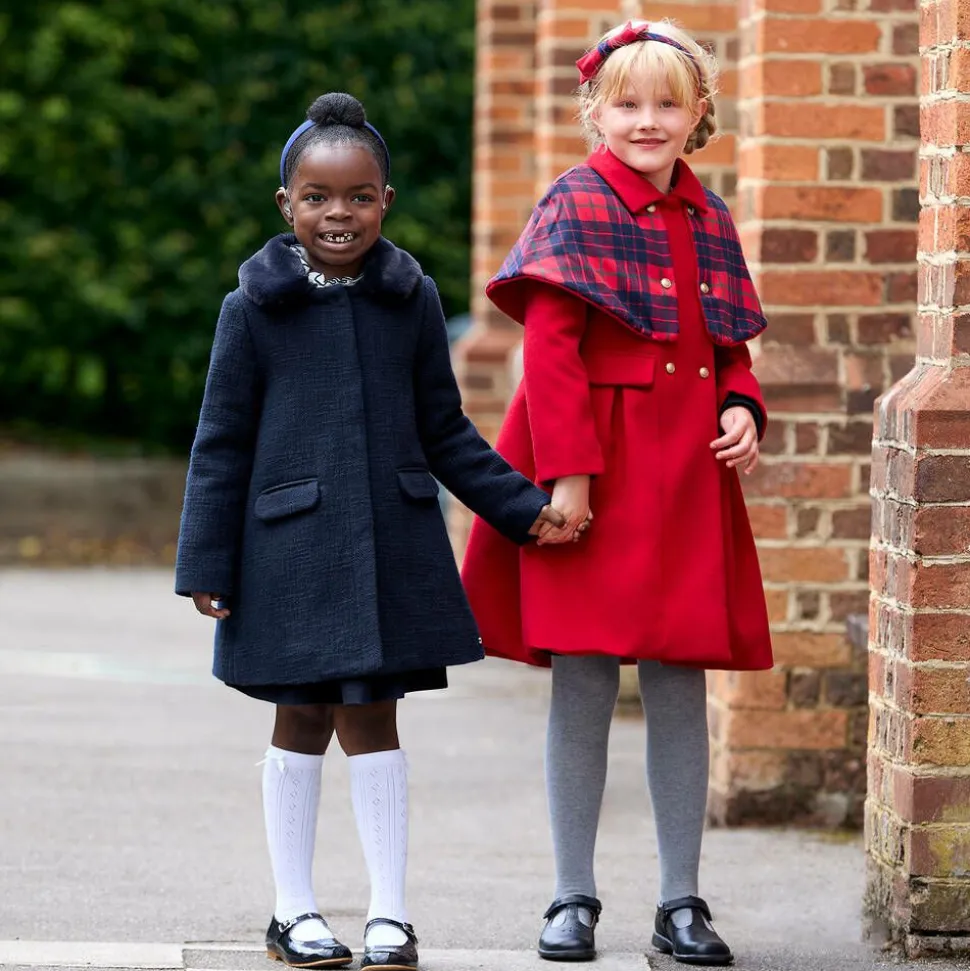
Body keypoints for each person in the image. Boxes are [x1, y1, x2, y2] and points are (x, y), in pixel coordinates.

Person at [175, 92, 565, 971]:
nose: (338, 214)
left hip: (389, 546)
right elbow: (220, 440)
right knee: (301, 716)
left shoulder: (410, 298)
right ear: (287, 203)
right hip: (286, 554)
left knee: (375, 719)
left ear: (385, 200)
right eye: (317, 197)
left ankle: (390, 914)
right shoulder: (251, 308)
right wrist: (205, 559)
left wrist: (522, 505)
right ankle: (293, 912)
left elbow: (445, 429)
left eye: (358, 197)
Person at [460, 20, 773, 966]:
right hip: (592, 471)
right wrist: (570, 477)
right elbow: (550, 356)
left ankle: (681, 900)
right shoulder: (573, 204)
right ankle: (572, 895)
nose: (646, 120)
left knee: (680, 678)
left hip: (687, 476)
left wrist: (743, 405)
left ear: (698, 113)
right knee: (585, 679)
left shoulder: (709, 217)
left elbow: (729, 344)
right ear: (594, 110)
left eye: (667, 104)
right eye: (626, 103)